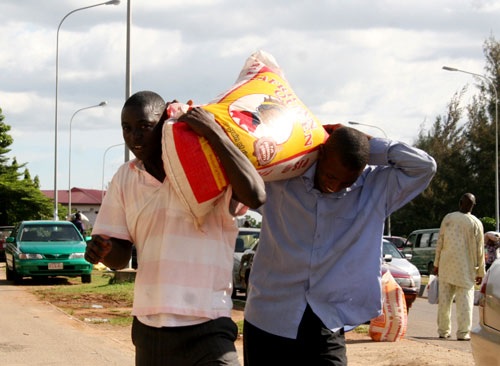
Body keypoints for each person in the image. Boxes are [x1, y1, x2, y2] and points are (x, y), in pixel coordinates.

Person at [84, 90, 266, 366]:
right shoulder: (125, 177)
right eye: (127, 128)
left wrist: (212, 132)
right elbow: (120, 258)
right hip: (150, 328)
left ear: (165, 124)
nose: (134, 137)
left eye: (145, 127)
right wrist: (103, 250)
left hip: (208, 322)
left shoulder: (208, 167)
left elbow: (255, 195)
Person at [243, 125, 436, 365]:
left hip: (327, 321)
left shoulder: (376, 189)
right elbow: (242, 161)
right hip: (269, 318)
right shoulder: (281, 178)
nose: (335, 186)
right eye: (331, 176)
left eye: (347, 181)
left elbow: (424, 166)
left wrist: (368, 145)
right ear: (321, 154)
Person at [433, 193, 485, 341]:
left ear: (460, 203)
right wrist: (481, 272)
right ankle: (463, 333)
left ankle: (443, 331)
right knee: (465, 303)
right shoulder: (476, 223)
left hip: (446, 266)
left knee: (444, 302)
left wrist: (436, 264)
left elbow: (440, 243)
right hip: (465, 269)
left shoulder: (448, 218)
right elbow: (480, 251)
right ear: (473, 206)